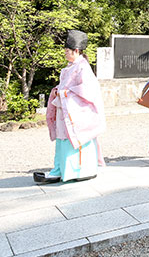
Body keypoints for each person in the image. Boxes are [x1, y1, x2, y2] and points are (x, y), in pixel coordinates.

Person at [35, 30, 106, 184]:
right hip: (66, 109)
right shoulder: (70, 67)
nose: (65, 54)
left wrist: (66, 94)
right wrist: (58, 91)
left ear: (76, 51)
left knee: (72, 138)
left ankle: (80, 171)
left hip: (77, 111)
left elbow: (88, 90)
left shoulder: (83, 67)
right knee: (62, 140)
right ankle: (59, 170)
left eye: (67, 51)